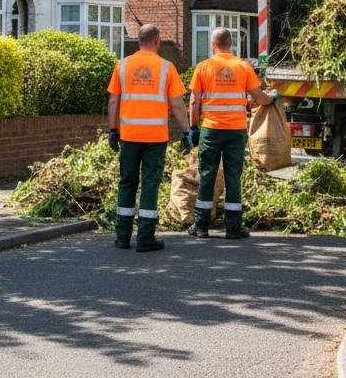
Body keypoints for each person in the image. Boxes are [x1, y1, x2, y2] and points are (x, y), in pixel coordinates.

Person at [107, 24, 190, 252]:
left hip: (129, 136)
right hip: (155, 138)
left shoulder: (122, 65)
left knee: (127, 183)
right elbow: (177, 104)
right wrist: (186, 132)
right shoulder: (166, 67)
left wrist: (112, 131)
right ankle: (145, 238)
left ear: (137, 41)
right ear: (158, 42)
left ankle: (122, 237)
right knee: (150, 185)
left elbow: (114, 101)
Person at [187, 27, 275, 240]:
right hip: (235, 131)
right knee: (233, 176)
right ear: (231, 44)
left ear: (213, 44)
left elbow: (194, 101)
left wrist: (193, 128)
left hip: (211, 129)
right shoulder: (243, 67)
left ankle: (201, 226)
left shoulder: (203, 67)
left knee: (207, 175)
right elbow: (258, 96)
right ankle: (233, 227)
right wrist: (272, 98)